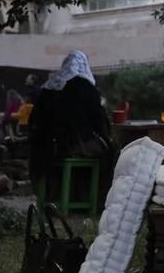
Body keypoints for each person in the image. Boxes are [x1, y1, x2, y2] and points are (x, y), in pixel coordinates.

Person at [29, 51, 114, 205]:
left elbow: (34, 121)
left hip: (44, 148)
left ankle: (56, 196)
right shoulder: (85, 87)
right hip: (73, 145)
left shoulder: (48, 88)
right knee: (110, 154)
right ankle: (94, 201)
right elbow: (99, 120)